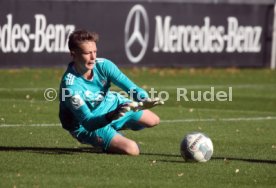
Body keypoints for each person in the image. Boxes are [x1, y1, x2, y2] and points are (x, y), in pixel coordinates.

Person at [59, 29, 163, 155]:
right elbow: (88, 122)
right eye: (87, 53)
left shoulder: (104, 66)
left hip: (110, 104)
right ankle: (105, 135)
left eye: (95, 52)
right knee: (132, 150)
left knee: (154, 120)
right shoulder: (70, 87)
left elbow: (131, 87)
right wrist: (111, 116)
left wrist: (144, 99)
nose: (93, 57)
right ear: (73, 54)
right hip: (84, 125)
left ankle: (113, 127)